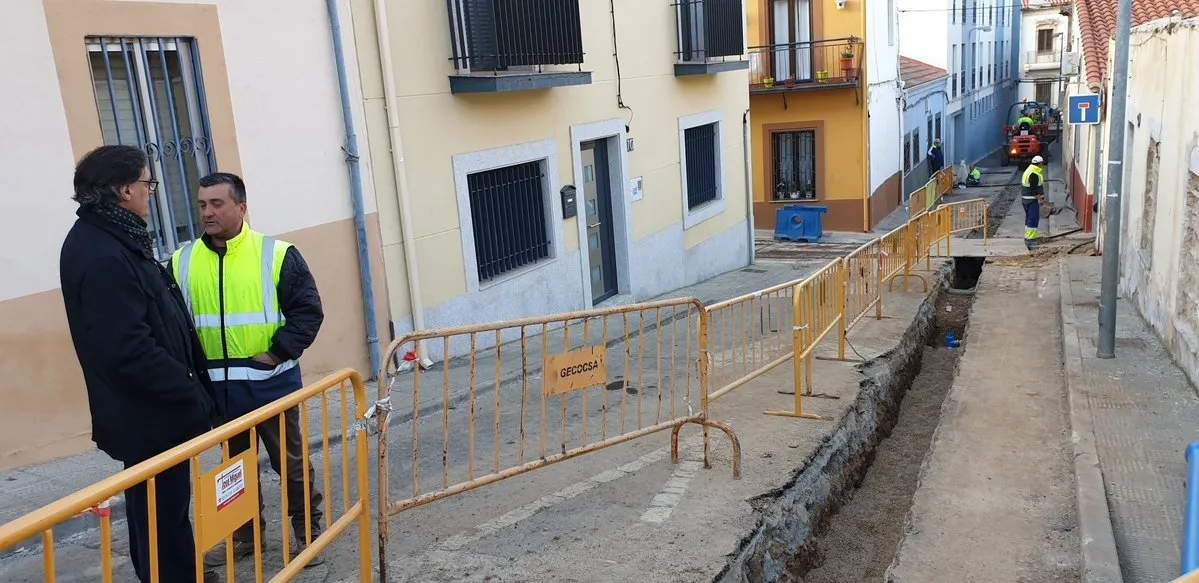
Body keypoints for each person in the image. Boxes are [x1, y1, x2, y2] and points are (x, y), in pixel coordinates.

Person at [59, 145, 220, 583]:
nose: (152, 192)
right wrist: (188, 390)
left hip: (151, 412)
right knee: (160, 517)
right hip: (149, 415)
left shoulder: (115, 237)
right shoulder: (103, 253)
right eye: (148, 183)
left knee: (162, 513)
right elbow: (128, 348)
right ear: (123, 190)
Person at [168, 173, 326, 568]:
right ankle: (246, 539)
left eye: (217, 204)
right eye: (202, 205)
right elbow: (172, 323)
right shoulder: (182, 260)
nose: (207, 212)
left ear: (241, 208)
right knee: (233, 473)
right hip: (217, 394)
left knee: (290, 464)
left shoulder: (277, 254)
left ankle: (308, 535)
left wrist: (276, 354)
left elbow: (308, 312)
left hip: (270, 385)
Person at [1021, 155, 1047, 249]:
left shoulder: (1029, 170)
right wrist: (1040, 199)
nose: (1042, 165)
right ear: (1039, 164)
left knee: (1028, 218)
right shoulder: (1034, 173)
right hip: (1032, 200)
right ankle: (1031, 241)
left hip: (1026, 200)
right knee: (1033, 219)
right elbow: (1034, 189)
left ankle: (1027, 236)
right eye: (1042, 163)